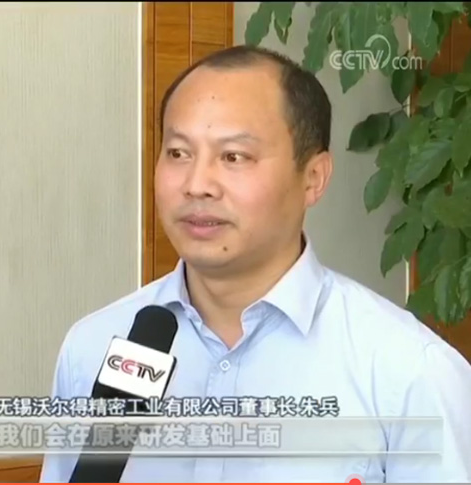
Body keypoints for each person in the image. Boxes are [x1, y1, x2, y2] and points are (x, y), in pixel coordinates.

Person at [40, 45, 471, 483]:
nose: (197, 185)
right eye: (178, 153)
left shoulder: (410, 371)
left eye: (234, 157)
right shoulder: (93, 347)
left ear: (314, 178)